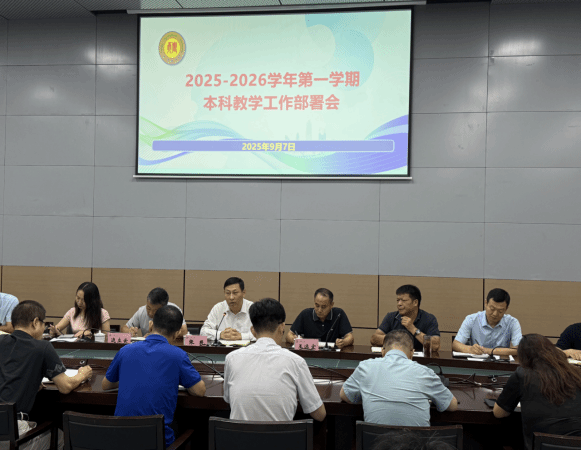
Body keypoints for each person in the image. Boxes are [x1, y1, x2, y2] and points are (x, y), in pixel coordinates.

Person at [102, 305, 206, 447]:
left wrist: (131, 378)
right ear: (177, 333)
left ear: (151, 325)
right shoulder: (178, 355)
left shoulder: (125, 350)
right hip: (157, 442)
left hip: (120, 441)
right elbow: (200, 390)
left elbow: (105, 385)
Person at [0, 301, 92, 450]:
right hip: (13, 432)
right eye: (44, 323)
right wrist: (83, 374)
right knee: (64, 438)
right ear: (35, 322)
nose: (44, 328)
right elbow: (65, 386)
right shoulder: (42, 347)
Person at [224, 298, 326, 422]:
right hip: (282, 435)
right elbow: (320, 415)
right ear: (281, 327)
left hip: (239, 435)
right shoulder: (296, 362)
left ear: (253, 331)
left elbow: (228, 399)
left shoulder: (231, 359)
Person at [341, 330, 457, 426]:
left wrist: (367, 395)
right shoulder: (425, 373)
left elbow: (344, 395)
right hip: (416, 443)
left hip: (375, 443)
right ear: (412, 353)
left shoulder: (366, 367)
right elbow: (452, 405)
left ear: (382, 351)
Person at [493, 334, 581, 449]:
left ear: (523, 357)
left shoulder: (523, 375)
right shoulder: (576, 373)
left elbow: (499, 413)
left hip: (542, 444)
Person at [371, 285, 441, 352]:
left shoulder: (429, 318)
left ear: (415, 302)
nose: (399, 304)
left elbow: (435, 346)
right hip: (395, 357)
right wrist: (396, 339)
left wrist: (413, 329)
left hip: (419, 359)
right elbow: (374, 339)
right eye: (398, 300)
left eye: (403, 300)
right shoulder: (391, 316)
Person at [453, 288, 521, 356]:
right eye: (492, 309)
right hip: (476, 361)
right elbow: (456, 344)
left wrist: (488, 351)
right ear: (486, 303)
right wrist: (470, 349)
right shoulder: (471, 319)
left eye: (500, 311)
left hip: (501, 362)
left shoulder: (512, 322)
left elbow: (518, 350)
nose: (495, 314)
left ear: (506, 309)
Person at [286, 288, 354, 348]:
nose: (319, 310)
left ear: (331, 305)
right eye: (317, 305)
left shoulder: (339, 314)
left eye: (323, 307)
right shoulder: (305, 314)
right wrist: (294, 339)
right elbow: (289, 335)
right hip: (309, 353)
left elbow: (350, 337)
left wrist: (343, 342)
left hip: (332, 354)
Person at [200, 277, 254, 342]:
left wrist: (241, 336)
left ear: (243, 293)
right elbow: (203, 331)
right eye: (228, 293)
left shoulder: (253, 308)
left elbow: (263, 334)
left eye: (235, 293)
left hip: (248, 348)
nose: (231, 297)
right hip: (223, 348)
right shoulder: (218, 308)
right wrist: (220, 334)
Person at [120, 287, 187, 338]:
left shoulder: (173, 311)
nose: (151, 313)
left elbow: (184, 331)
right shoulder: (141, 311)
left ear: (164, 307)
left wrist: (156, 336)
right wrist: (130, 332)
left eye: (155, 310)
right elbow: (124, 328)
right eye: (148, 308)